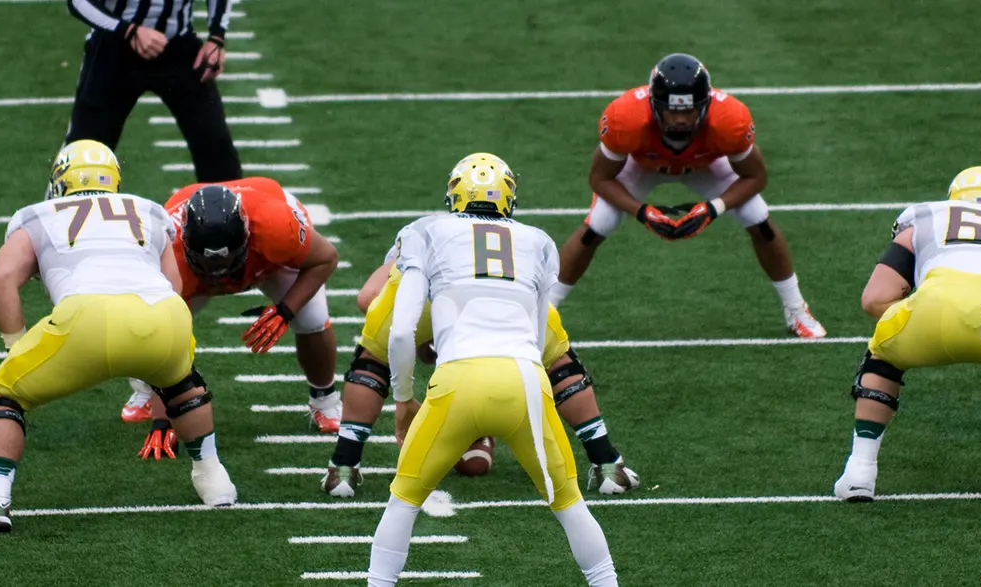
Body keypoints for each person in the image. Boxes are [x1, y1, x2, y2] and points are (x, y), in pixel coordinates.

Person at [324, 154, 639, 498]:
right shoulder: (530, 236)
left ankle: (343, 467)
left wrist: (423, 340)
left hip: (432, 297)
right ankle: (608, 463)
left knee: (372, 359)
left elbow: (368, 296)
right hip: (511, 303)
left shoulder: (426, 229)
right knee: (560, 364)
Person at [366, 153, 616, 586]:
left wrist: (403, 399)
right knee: (570, 504)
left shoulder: (426, 231)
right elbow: (539, 340)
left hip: (457, 380)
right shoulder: (538, 241)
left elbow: (403, 332)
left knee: (403, 501)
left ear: (454, 195)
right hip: (524, 380)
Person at [0, 141, 229, 533]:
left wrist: (15, 345)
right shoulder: (148, 211)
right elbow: (174, 284)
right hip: (166, 315)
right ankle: (215, 481)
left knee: (2, 394)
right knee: (184, 385)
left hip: (87, 316)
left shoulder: (37, 215)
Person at [548, 53, 824, 338]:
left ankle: (796, 308)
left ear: (704, 106)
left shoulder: (729, 119)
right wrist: (642, 212)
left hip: (705, 164)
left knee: (757, 216)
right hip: (643, 164)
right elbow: (599, 178)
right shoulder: (626, 117)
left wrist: (713, 208)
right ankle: (544, 312)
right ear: (655, 106)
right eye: (672, 111)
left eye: (689, 111)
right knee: (599, 223)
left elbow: (756, 177)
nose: (680, 119)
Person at [833, 166, 981, 501]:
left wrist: (921, 312)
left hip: (935, 312)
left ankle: (860, 471)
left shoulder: (927, 216)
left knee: (882, 355)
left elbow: (874, 299)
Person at [122, 176, 343, 442]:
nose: (219, 272)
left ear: (248, 236)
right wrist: (162, 420)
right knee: (150, 325)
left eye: (226, 259)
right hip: (192, 271)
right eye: (209, 262)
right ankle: (146, 388)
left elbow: (326, 258)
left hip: (263, 259)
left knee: (312, 318)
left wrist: (286, 310)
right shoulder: (168, 246)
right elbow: (160, 330)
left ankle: (325, 399)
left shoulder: (275, 228)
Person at [64, 0, 241, 182]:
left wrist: (217, 37)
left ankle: (224, 208)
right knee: (85, 150)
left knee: (216, 146)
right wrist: (128, 30)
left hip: (177, 46)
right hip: (116, 46)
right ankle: (64, 208)